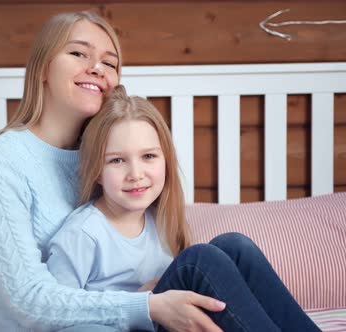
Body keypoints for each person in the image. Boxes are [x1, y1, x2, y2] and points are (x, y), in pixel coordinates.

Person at [0, 10, 228, 332]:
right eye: (78, 53)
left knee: (229, 251)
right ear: (43, 68)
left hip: (126, 319)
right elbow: (28, 301)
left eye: (110, 62)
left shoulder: (111, 152)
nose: (96, 69)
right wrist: (147, 305)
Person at [47, 85, 321, 332]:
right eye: (117, 160)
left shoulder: (161, 221)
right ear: (95, 170)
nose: (136, 173)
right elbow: (53, 313)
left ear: (166, 160)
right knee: (198, 261)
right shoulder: (83, 234)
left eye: (149, 156)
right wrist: (140, 303)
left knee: (234, 246)